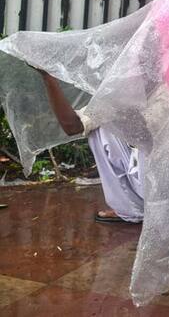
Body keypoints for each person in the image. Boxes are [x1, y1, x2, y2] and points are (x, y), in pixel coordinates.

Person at [37, 70, 144, 223]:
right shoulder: (123, 94)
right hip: (148, 180)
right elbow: (73, 126)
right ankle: (131, 209)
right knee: (101, 128)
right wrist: (48, 77)